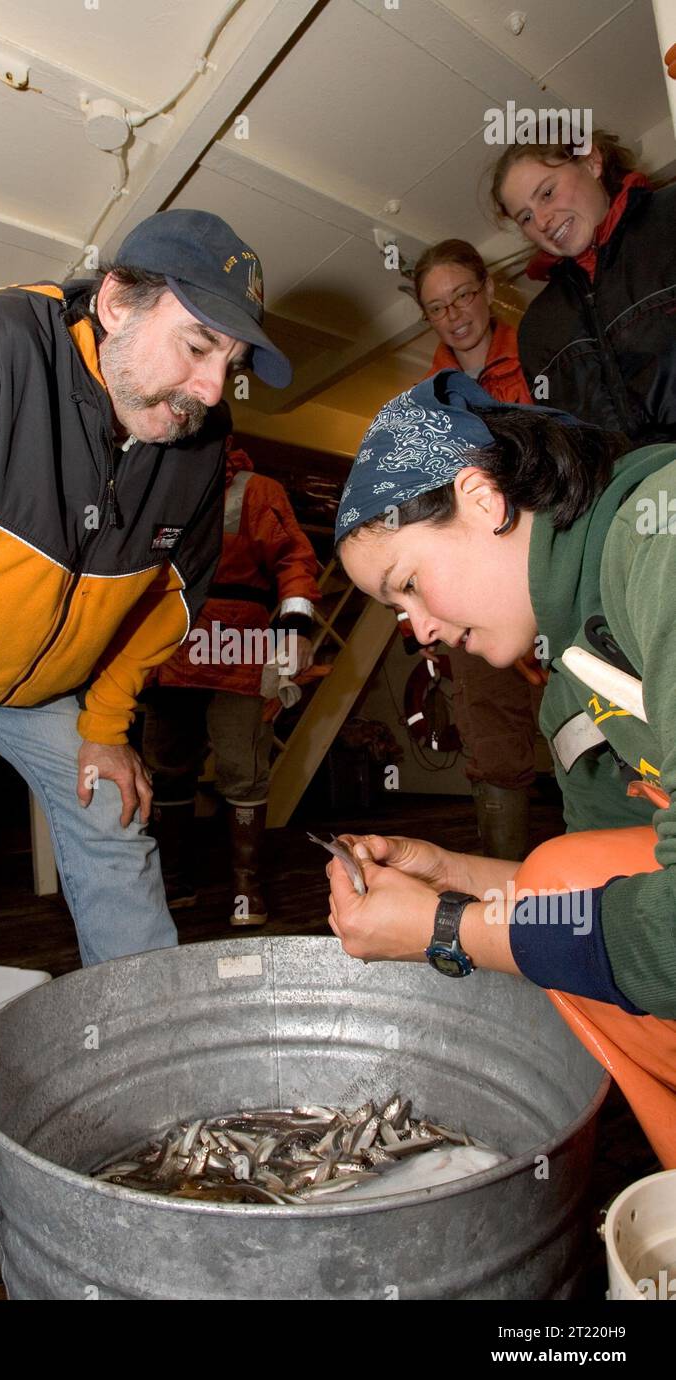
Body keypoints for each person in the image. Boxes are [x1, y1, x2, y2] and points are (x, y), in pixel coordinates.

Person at [0, 209, 291, 1206]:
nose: (211, 389)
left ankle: (162, 1102)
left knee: (114, 819)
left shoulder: (197, 442)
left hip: (35, 678)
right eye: (198, 346)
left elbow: (167, 605)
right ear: (115, 303)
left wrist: (105, 730)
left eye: (229, 361)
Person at [329, 369, 676, 1165]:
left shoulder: (659, 544)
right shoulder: (571, 682)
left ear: (483, 498)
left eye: (408, 583)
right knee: (560, 887)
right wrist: (448, 877)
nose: (416, 630)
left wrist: (444, 930)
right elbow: (600, 899)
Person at [143, 435, 320, 925]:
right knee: (168, 767)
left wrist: (296, 629)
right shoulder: (154, 482)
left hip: (238, 648)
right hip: (168, 645)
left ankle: (246, 888)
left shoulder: (257, 490)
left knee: (243, 768)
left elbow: (294, 560)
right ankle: (174, 885)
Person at [413, 239, 542, 858]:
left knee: (603, 723)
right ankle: (508, 904)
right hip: (476, 585)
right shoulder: (425, 399)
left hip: (555, 564)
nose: (455, 313)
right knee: (491, 737)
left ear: (488, 289)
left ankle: (618, 897)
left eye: (463, 294)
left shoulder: (546, 349)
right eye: (438, 307)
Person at [490, 127, 676, 441]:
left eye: (547, 193)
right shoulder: (537, 330)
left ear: (591, 162)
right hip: (631, 486)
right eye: (525, 217)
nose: (543, 222)